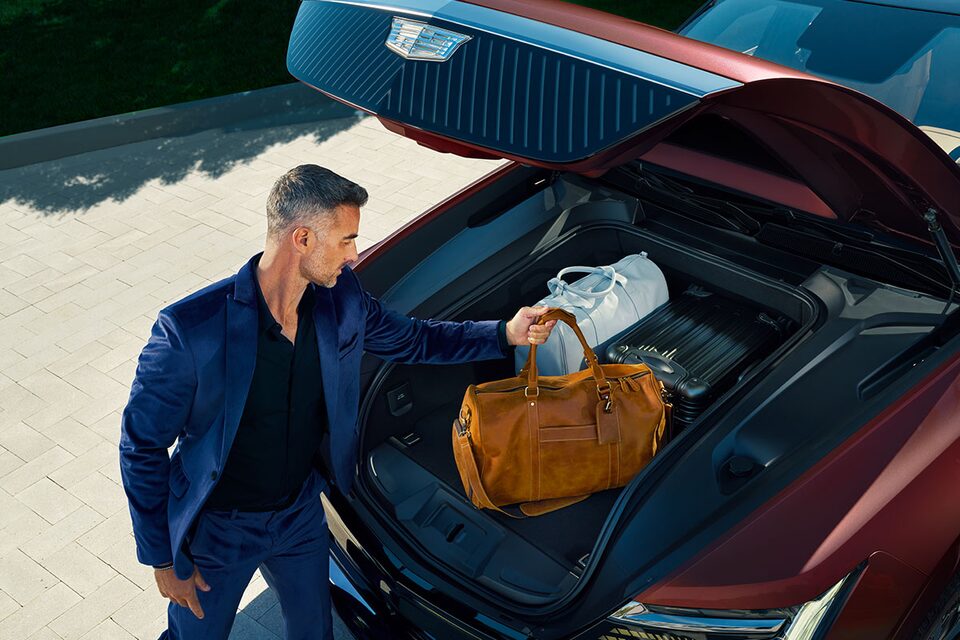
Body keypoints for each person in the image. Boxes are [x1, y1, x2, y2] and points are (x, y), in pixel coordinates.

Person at [119, 164, 557, 640]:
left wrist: (503, 334)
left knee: (315, 631)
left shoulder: (339, 298)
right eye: (347, 239)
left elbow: (413, 339)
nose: (355, 255)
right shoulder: (189, 331)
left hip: (299, 514)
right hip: (219, 532)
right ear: (302, 239)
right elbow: (140, 445)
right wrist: (162, 558)